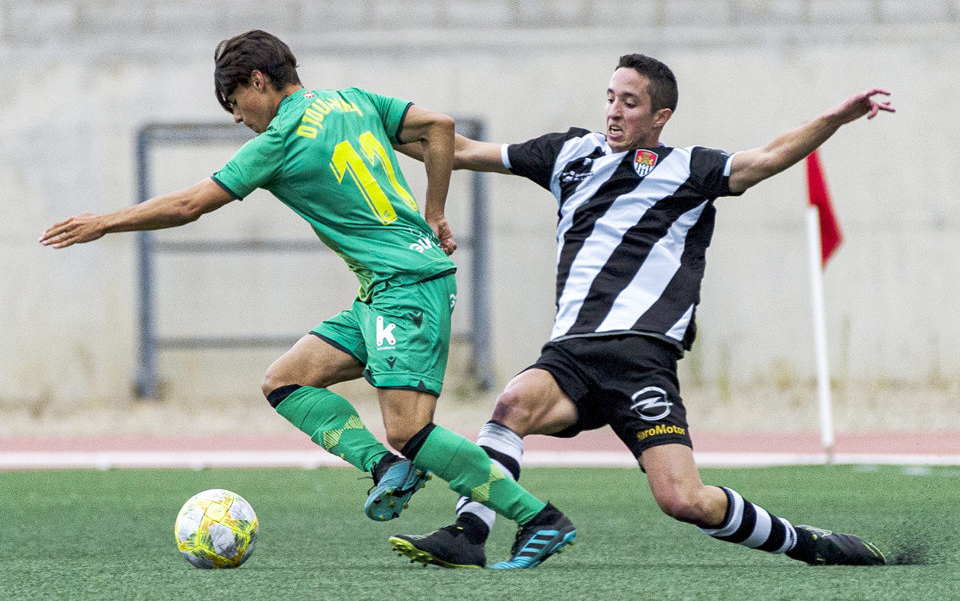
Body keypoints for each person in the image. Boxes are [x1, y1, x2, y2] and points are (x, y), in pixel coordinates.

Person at [40, 29, 576, 567]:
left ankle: (538, 518)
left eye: (233, 103)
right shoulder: (354, 99)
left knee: (409, 428)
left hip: (408, 287)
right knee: (285, 380)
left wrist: (105, 223)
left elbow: (187, 205)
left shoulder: (276, 142)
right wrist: (435, 212)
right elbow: (440, 127)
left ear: (257, 81)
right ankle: (388, 468)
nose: (235, 117)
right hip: (381, 291)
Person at [389, 53, 893, 569]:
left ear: (660, 116)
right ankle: (468, 534)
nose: (614, 111)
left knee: (684, 501)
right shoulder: (569, 154)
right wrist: (371, 130)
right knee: (511, 406)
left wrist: (835, 118)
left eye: (630, 102)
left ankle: (807, 544)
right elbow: (464, 149)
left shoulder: (689, 168)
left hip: (640, 358)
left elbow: (765, 158)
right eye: (610, 97)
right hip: (570, 353)